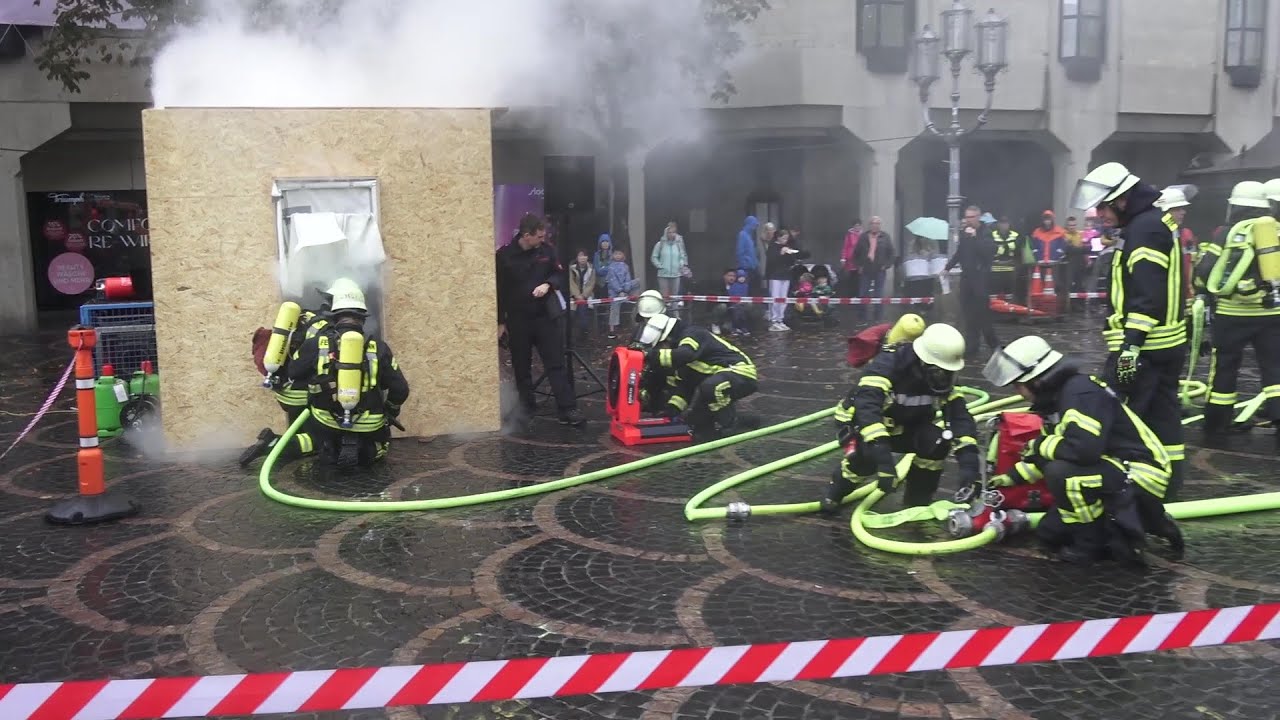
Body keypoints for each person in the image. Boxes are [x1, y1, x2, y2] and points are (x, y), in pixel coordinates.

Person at [983, 336, 1184, 565]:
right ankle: (1145, 519)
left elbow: (1083, 450)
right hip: (1111, 466)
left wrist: (1039, 445)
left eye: (1018, 385)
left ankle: (1091, 544)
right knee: (1049, 536)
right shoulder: (1057, 399)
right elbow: (1048, 453)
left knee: (1061, 473)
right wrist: (1009, 479)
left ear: (1036, 381)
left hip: (1142, 471)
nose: (1018, 392)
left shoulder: (1080, 394)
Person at [1071, 162, 1187, 499]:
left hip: (1142, 349)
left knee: (1121, 414)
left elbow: (1147, 296)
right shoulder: (1149, 223)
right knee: (1163, 416)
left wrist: (1129, 349)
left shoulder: (1144, 230)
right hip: (1162, 345)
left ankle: (1129, 485)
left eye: (1103, 207)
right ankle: (1168, 484)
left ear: (1122, 200)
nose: (1099, 215)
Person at [820, 323, 980, 512]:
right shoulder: (889, 363)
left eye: (949, 372)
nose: (945, 377)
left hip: (908, 424)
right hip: (863, 423)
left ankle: (917, 501)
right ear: (924, 361)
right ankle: (835, 493)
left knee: (937, 443)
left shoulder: (941, 374)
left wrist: (969, 463)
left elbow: (959, 415)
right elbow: (867, 408)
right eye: (940, 371)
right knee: (867, 458)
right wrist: (883, 459)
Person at [287, 279, 410, 468]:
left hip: (325, 422)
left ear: (334, 316)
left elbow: (294, 372)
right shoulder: (378, 348)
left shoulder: (316, 344)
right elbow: (400, 389)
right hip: (368, 425)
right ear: (362, 318)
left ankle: (323, 446)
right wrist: (391, 410)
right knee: (379, 448)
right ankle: (364, 448)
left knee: (314, 439)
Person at [1195, 180, 1280, 444]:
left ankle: (1217, 423)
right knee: (1275, 369)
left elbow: (1205, 270)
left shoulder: (1227, 232)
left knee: (1224, 367)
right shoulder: (1274, 230)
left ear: (1235, 206)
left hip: (1231, 315)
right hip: (1270, 314)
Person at [496, 214, 586, 426]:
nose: (542, 239)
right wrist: (500, 322)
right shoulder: (504, 256)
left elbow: (559, 274)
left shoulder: (547, 251)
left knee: (556, 364)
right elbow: (498, 290)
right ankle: (526, 408)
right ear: (526, 235)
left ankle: (567, 409)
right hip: (518, 319)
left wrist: (548, 284)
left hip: (545, 317)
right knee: (521, 367)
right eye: (539, 236)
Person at [633, 312, 759, 443]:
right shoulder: (680, 360)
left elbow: (686, 354)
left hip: (741, 372)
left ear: (668, 338)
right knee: (697, 424)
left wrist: (650, 355)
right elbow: (685, 388)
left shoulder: (693, 333)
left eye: (660, 346)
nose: (661, 349)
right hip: (719, 378)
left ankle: (731, 425)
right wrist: (673, 409)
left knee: (711, 388)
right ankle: (745, 421)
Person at [239, 299, 333, 467]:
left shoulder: (299, 320)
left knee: (304, 434)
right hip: (303, 397)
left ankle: (280, 443)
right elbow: (304, 366)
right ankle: (271, 443)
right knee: (320, 442)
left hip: (285, 392)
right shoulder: (323, 330)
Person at [945, 205, 1001, 360]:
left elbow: (989, 252)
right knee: (968, 315)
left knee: (982, 314)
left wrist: (975, 238)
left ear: (978, 217)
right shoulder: (965, 233)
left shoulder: (986, 232)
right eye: (967, 217)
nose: (968, 220)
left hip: (980, 278)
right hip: (966, 278)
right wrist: (947, 267)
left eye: (971, 217)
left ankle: (994, 345)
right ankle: (972, 346)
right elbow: (960, 252)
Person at [766, 228, 809, 331]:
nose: (785, 240)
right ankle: (774, 320)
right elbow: (771, 260)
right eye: (783, 238)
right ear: (778, 237)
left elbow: (794, 258)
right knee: (775, 297)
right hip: (775, 276)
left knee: (783, 298)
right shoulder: (772, 247)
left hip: (786, 274)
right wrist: (781, 253)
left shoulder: (788, 246)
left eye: (786, 238)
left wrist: (792, 254)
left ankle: (780, 319)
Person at [855, 216, 895, 321]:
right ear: (870, 225)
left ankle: (878, 317)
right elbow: (856, 253)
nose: (875, 225)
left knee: (879, 294)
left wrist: (886, 265)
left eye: (877, 223)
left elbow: (891, 253)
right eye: (873, 223)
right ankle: (862, 317)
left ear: (880, 225)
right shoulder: (863, 237)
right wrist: (859, 266)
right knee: (863, 293)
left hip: (880, 269)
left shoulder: (885, 237)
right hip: (866, 268)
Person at [604, 248, 640, 339]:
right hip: (614, 292)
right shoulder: (611, 267)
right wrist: (620, 291)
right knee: (614, 308)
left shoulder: (625, 266)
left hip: (625, 289)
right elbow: (612, 281)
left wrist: (625, 290)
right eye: (616, 254)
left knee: (637, 281)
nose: (618, 256)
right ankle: (612, 330)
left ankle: (632, 297)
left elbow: (628, 278)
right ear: (613, 255)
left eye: (619, 254)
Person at [652, 221, 689, 302]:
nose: (671, 234)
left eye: (673, 232)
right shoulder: (660, 244)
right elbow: (654, 257)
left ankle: (675, 310)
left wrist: (681, 263)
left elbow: (682, 256)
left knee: (675, 297)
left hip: (676, 274)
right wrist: (659, 266)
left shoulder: (679, 245)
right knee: (664, 297)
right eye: (669, 232)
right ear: (666, 233)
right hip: (663, 274)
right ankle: (664, 309)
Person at [990, 215, 1023, 299]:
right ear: (998, 224)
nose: (1003, 225)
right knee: (994, 296)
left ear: (1009, 224)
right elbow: (988, 251)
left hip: (1010, 270)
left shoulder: (1015, 235)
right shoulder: (991, 235)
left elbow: (1019, 252)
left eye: (1005, 223)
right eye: (1002, 223)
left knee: (1009, 296)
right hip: (995, 271)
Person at [711, 268, 749, 336]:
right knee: (722, 306)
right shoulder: (718, 284)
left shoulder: (738, 286)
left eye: (734, 276)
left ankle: (741, 326)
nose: (732, 278)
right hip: (721, 307)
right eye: (730, 275)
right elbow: (715, 297)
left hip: (734, 309)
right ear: (724, 276)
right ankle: (715, 324)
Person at [568, 249, 596, 338]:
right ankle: (571, 337)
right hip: (573, 296)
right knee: (571, 315)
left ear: (587, 257)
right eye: (580, 256)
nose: (582, 258)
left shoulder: (591, 269)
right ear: (577, 258)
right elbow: (571, 283)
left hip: (585, 297)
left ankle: (584, 336)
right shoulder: (571, 268)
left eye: (584, 255)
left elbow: (591, 283)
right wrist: (577, 295)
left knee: (583, 316)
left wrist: (583, 295)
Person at [840, 219, 863, 298]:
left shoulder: (863, 235)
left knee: (859, 279)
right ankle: (851, 296)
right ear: (853, 226)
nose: (857, 227)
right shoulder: (849, 235)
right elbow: (845, 247)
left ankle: (859, 296)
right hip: (851, 261)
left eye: (859, 225)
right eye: (856, 225)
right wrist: (843, 258)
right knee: (851, 278)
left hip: (860, 261)